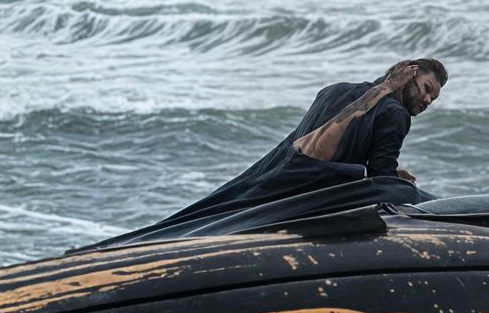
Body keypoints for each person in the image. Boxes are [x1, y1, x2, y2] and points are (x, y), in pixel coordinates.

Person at [105, 58, 447, 245]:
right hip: (307, 185)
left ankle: (126, 246)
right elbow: (379, 178)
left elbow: (342, 141)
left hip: (277, 168)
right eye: (426, 89)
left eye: (433, 97)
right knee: (409, 194)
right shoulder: (396, 113)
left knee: (208, 214)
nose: (427, 100)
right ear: (409, 75)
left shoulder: (334, 89)